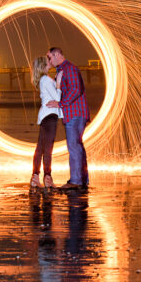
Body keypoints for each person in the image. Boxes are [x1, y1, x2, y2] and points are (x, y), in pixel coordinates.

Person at [46, 46, 89, 191]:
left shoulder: (68, 68)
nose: (49, 61)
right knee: (77, 147)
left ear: (57, 54)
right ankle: (82, 180)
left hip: (74, 114)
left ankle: (76, 181)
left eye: (50, 57)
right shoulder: (61, 70)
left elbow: (76, 89)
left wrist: (61, 104)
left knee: (74, 147)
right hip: (74, 113)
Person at [30, 55, 60, 192]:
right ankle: (47, 178)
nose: (50, 62)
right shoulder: (46, 80)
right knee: (47, 149)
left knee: (40, 148)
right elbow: (58, 97)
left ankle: (35, 177)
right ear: (43, 66)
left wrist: (54, 81)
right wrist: (58, 83)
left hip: (45, 116)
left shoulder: (44, 80)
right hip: (50, 116)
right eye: (48, 62)